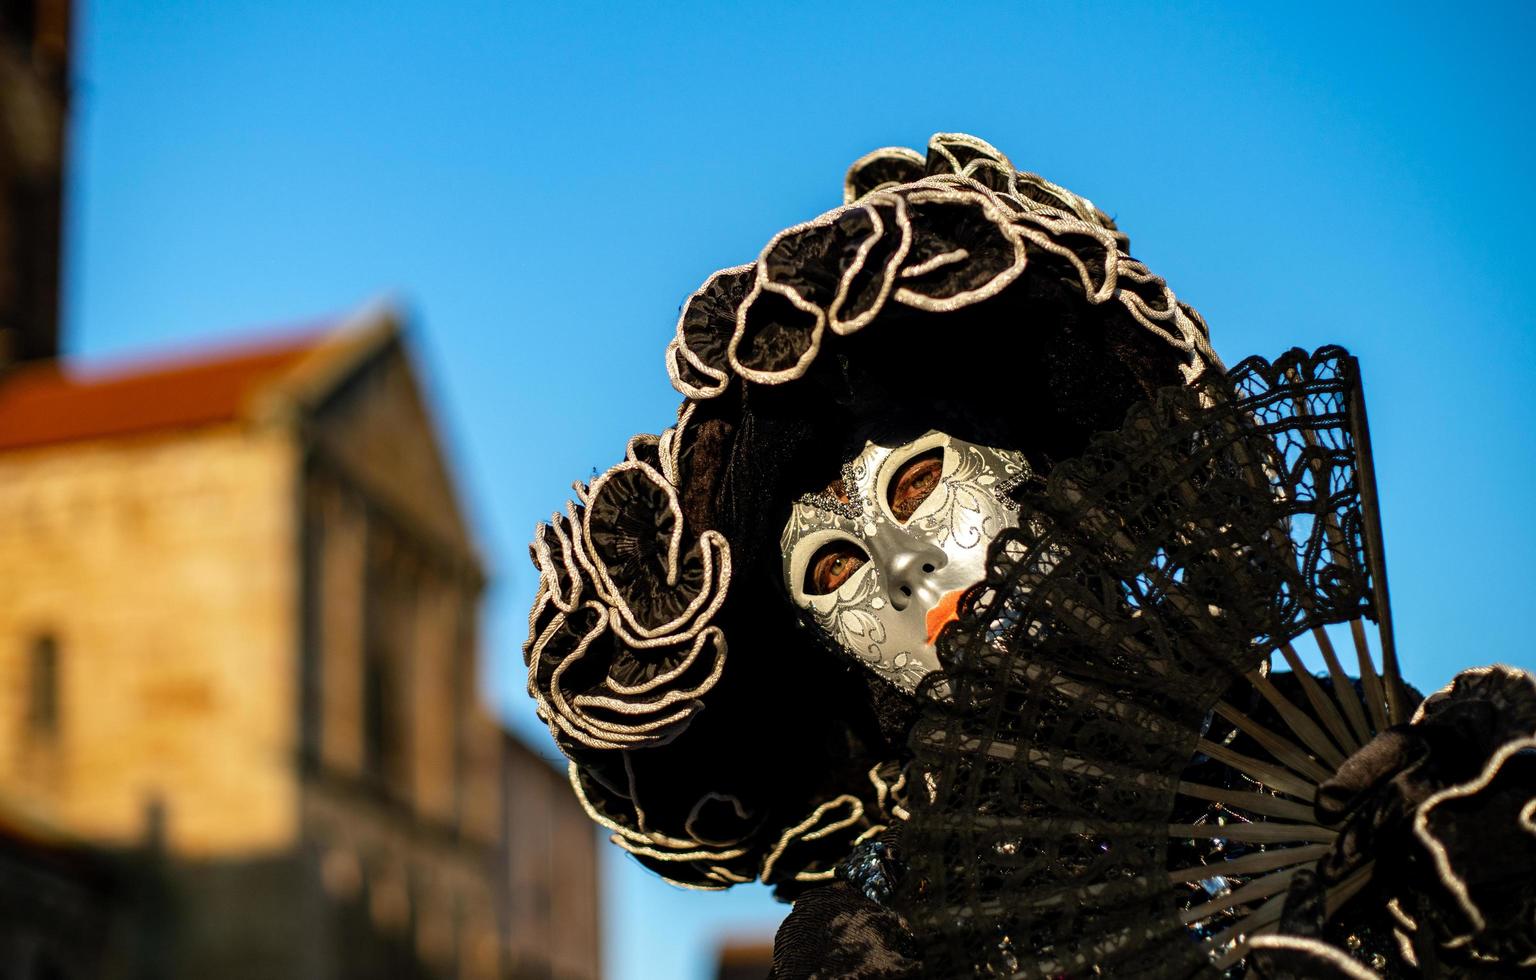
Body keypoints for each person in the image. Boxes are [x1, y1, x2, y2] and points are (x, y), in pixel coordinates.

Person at [523, 133, 1534, 978]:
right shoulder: (881, 931)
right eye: (833, 570)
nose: (909, 574)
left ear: (1025, 462)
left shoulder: (1327, 730)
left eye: (916, 485)